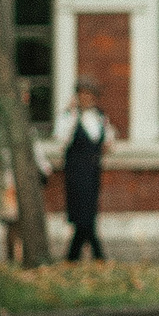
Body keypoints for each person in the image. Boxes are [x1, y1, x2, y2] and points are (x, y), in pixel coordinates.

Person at [60, 81, 109, 262]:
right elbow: (62, 140)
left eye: (90, 95)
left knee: (88, 213)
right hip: (75, 172)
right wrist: (71, 115)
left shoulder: (100, 117)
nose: (86, 99)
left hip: (93, 171)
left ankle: (72, 257)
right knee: (82, 214)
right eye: (82, 95)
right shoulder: (70, 117)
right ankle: (98, 256)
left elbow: (108, 141)